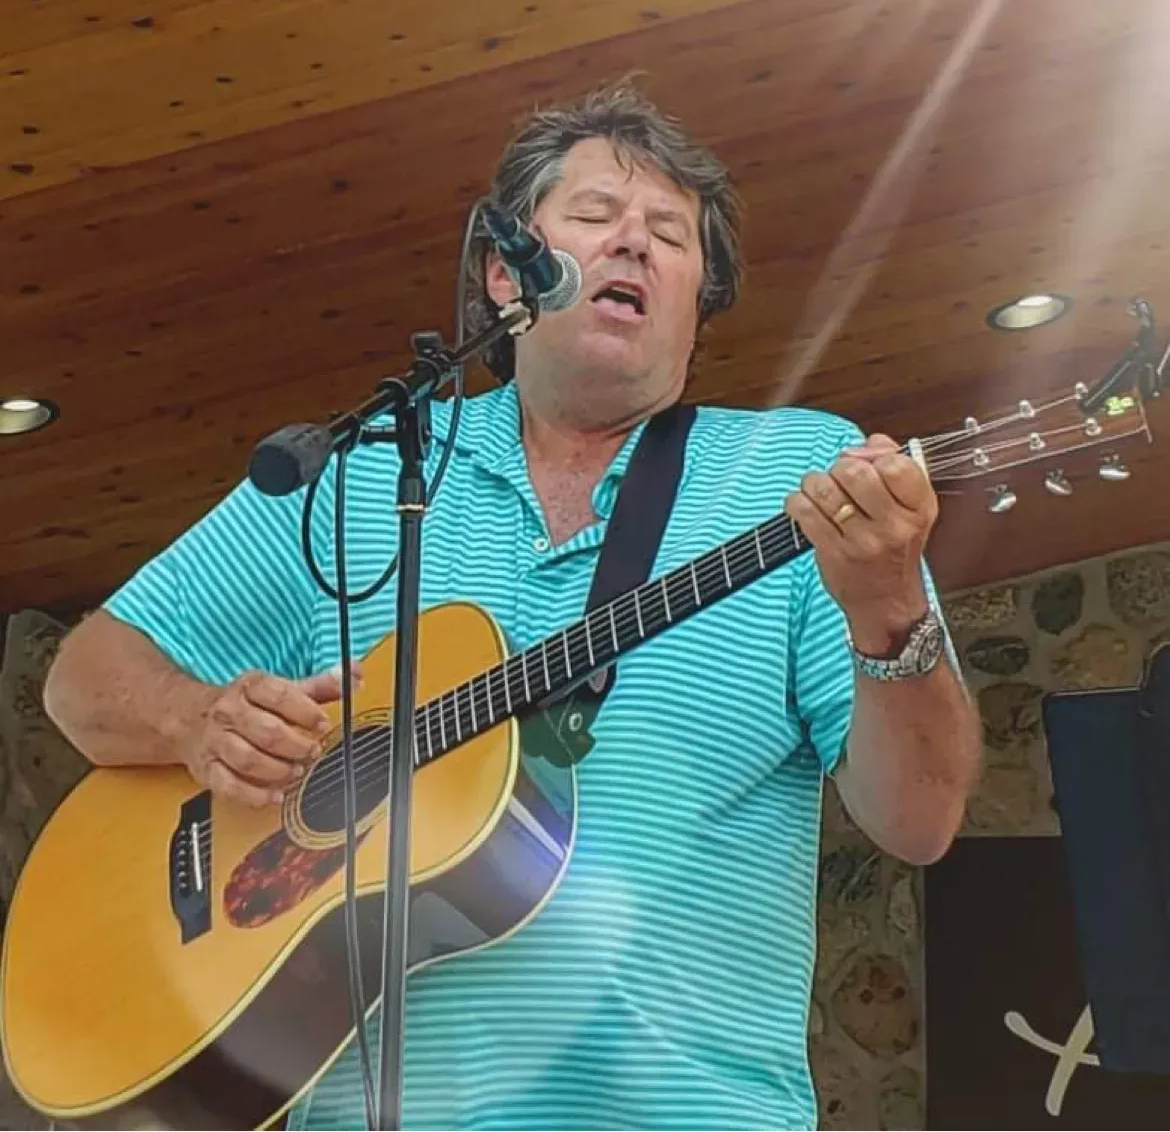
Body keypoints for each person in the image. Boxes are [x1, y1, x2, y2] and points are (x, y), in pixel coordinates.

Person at [43, 79, 982, 1130]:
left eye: (670, 236)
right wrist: (197, 720)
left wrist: (890, 606)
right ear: (504, 275)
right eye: (594, 216)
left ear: (696, 300)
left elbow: (920, 818)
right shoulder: (357, 480)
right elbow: (84, 679)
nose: (633, 243)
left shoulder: (795, 476)